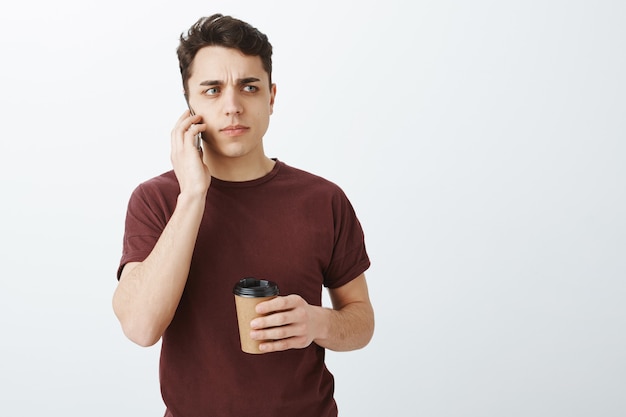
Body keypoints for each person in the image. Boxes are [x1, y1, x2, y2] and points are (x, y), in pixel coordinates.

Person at [113, 13, 374, 417]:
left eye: (248, 87)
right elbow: (140, 327)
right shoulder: (157, 200)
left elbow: (361, 321)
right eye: (212, 90)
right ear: (190, 104)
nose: (232, 106)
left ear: (270, 97)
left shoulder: (323, 200)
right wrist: (193, 195)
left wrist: (316, 323)